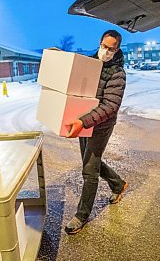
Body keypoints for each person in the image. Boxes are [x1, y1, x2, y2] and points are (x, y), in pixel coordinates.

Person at [64, 29, 128, 235]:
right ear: (99, 42)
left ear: (117, 49)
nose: (106, 51)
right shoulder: (89, 64)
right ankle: (118, 184)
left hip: (101, 125)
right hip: (84, 120)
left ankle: (81, 216)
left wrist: (83, 121)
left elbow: (110, 106)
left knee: (89, 169)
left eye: (111, 48)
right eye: (104, 46)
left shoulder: (117, 73)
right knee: (90, 161)